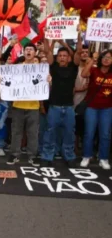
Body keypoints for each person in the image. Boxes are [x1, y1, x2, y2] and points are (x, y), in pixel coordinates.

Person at [41, 33, 82, 167]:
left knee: (69, 132)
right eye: (60, 56)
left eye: (65, 56)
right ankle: (47, 156)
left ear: (69, 58)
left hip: (69, 107)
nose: (62, 57)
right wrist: (49, 37)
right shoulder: (53, 67)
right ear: (57, 58)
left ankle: (69, 156)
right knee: (50, 132)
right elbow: (47, 52)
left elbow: (79, 52)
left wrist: (79, 36)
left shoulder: (73, 67)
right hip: (54, 107)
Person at [7, 43, 43, 166]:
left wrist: (48, 80)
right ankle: (14, 154)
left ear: (35, 53)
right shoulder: (17, 67)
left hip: (33, 106)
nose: (28, 51)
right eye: (26, 49)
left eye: (31, 49)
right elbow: (10, 82)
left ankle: (32, 155)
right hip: (18, 105)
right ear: (23, 52)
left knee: (32, 132)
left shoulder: (41, 69)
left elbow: (45, 87)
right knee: (16, 131)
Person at [80, 50, 112, 169]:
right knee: (89, 133)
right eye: (104, 57)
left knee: (105, 134)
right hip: (92, 107)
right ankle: (87, 156)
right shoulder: (94, 70)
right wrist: (92, 60)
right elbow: (83, 74)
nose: (106, 59)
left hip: (107, 108)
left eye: (109, 57)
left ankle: (103, 158)